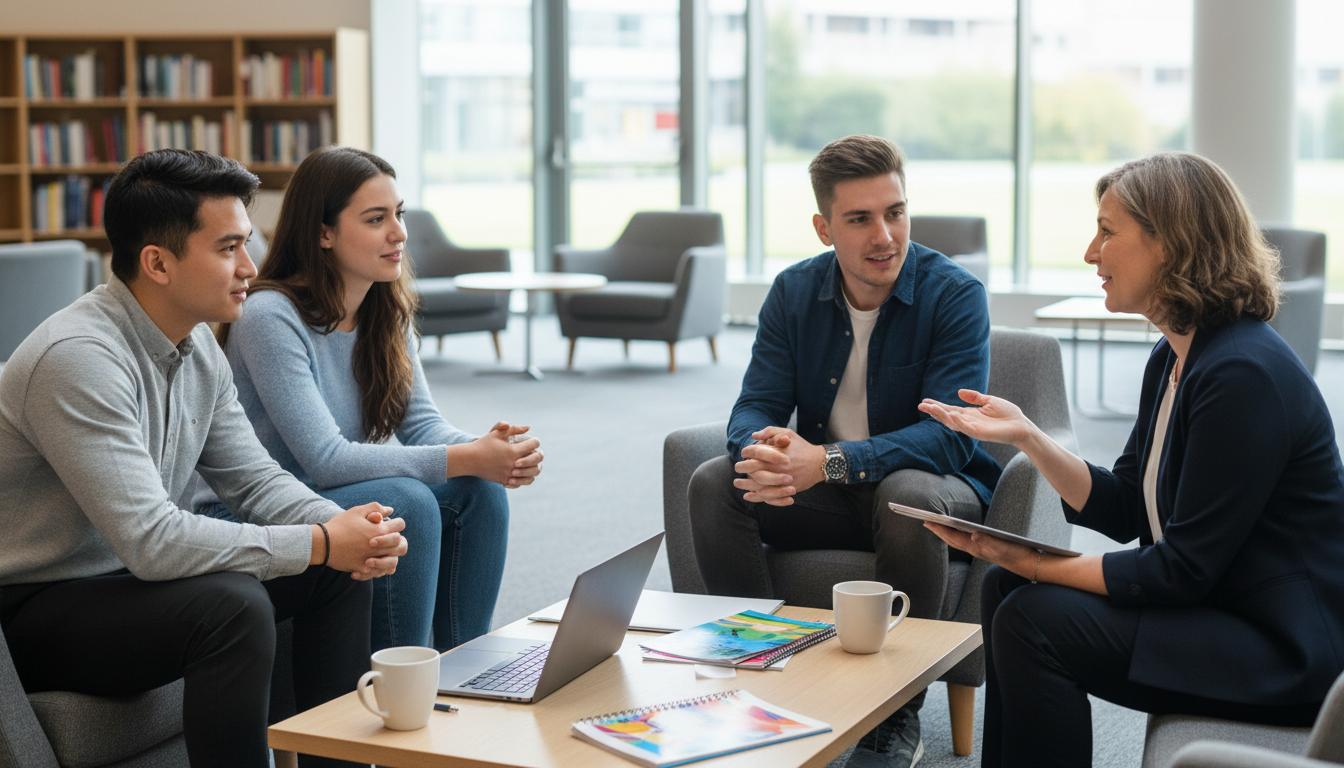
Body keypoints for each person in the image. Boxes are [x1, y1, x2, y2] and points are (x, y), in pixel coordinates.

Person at [918, 152, 1344, 768]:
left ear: (1170, 245)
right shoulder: (1176, 357)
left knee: (1034, 615)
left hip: (1281, 649)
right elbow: (1124, 507)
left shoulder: (1243, 375)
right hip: (1222, 608)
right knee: (1007, 588)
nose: (1092, 252)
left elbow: (1179, 571)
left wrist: (1037, 561)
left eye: (1108, 231)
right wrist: (1030, 439)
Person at [0, 149, 408, 768]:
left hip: (127, 583)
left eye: (247, 243)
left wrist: (345, 530)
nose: (250, 267)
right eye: (228, 249)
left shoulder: (195, 345)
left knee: (332, 569)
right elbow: (153, 540)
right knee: (233, 607)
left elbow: (256, 480)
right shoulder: (78, 358)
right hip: (38, 605)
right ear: (158, 263)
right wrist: (320, 540)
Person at [687, 134, 1001, 768]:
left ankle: (895, 715)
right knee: (716, 482)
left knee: (906, 495)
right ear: (824, 228)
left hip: (937, 483)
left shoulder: (955, 295)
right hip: (831, 493)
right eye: (860, 219)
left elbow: (949, 434)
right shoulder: (793, 292)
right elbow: (755, 404)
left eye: (896, 212)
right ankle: (758, 681)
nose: (885, 234)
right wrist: (766, 450)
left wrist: (827, 460)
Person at [195, 146, 541, 652]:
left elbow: (423, 425)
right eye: (376, 219)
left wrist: (489, 452)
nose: (399, 233)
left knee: (477, 490)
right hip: (255, 510)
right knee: (408, 502)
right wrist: (468, 456)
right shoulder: (270, 316)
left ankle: (470, 668)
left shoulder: (384, 310)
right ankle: (399, 684)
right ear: (323, 232)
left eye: (398, 214)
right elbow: (326, 458)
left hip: (332, 493)